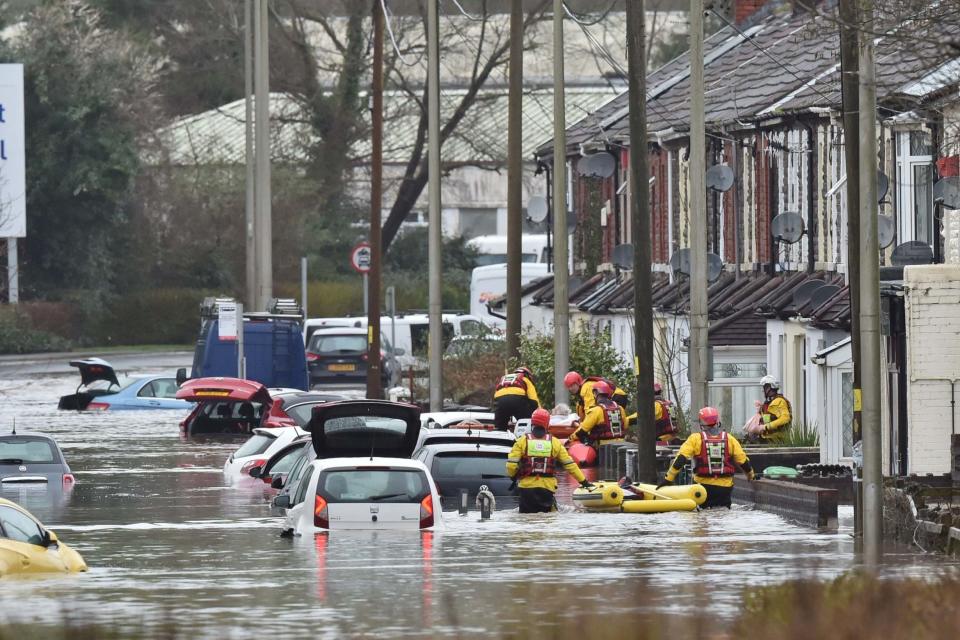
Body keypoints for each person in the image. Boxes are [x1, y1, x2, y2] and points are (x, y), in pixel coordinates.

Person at [658, 406, 755, 508]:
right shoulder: (730, 439)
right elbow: (743, 461)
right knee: (722, 514)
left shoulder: (695, 439)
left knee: (702, 515)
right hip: (724, 489)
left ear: (702, 423)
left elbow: (680, 460)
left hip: (702, 488)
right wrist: (751, 475)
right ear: (717, 421)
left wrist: (668, 479)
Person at [506, 408, 593, 513]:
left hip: (526, 489)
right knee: (546, 521)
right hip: (546, 489)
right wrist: (584, 482)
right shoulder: (555, 443)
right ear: (547, 424)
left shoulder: (521, 441)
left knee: (526, 520)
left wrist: (513, 476)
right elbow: (570, 465)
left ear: (532, 422)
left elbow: (511, 465)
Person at [568, 381, 628, 446]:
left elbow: (582, 430)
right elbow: (625, 426)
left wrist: (570, 438)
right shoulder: (620, 408)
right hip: (621, 445)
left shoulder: (596, 410)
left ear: (595, 393)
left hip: (604, 447)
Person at [563, 371, 629, 421]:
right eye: (569, 387)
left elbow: (590, 409)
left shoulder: (586, 387)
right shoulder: (582, 392)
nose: (570, 388)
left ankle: (634, 418)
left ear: (578, 381)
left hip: (617, 396)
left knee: (611, 420)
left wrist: (586, 427)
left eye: (572, 385)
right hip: (617, 396)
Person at [492, 366, 540, 431]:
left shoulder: (504, 379)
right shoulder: (525, 379)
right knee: (526, 423)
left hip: (500, 400)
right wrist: (538, 413)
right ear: (527, 375)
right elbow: (534, 400)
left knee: (500, 427)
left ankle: (500, 437)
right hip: (517, 399)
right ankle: (524, 435)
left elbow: (496, 396)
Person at [757, 375, 792, 442]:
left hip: (779, 440)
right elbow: (769, 419)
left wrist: (767, 426)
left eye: (764, 387)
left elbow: (785, 418)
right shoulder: (768, 403)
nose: (762, 390)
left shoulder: (779, 401)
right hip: (767, 439)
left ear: (768, 387)